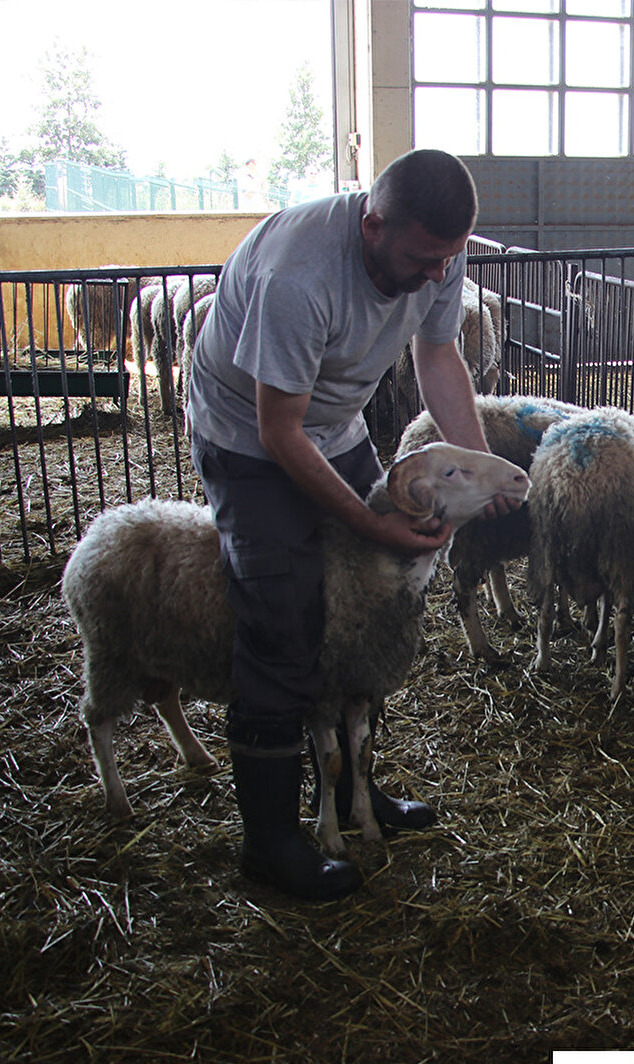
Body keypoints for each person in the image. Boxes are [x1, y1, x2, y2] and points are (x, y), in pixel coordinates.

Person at [187, 148, 507, 902]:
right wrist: (377, 528)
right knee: (285, 612)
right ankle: (270, 842)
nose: (438, 276)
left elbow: (438, 354)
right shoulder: (297, 277)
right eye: (423, 258)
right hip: (249, 436)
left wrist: (483, 472)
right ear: (372, 225)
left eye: (449, 259)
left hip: (330, 424)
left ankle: (358, 790)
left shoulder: (434, 253)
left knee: (372, 604)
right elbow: (278, 433)